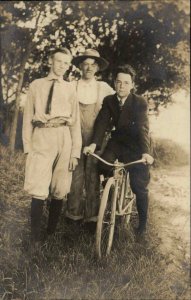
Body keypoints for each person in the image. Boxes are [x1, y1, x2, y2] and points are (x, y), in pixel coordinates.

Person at [84, 64, 154, 236]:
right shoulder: (109, 101)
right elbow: (101, 123)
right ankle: (111, 191)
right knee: (102, 165)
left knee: (139, 186)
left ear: (131, 85)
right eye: (118, 82)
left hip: (137, 145)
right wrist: (94, 144)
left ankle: (142, 227)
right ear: (114, 83)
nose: (122, 86)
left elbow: (143, 128)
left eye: (126, 83)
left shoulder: (139, 103)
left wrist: (145, 152)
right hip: (118, 142)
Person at [22, 48, 82, 243]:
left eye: (66, 63)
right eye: (59, 61)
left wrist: (75, 152)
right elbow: (27, 118)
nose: (62, 66)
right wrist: (28, 147)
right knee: (38, 185)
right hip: (42, 135)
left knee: (60, 186)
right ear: (50, 61)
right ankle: (34, 237)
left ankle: (50, 232)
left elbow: (76, 123)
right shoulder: (36, 85)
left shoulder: (70, 88)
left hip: (64, 135)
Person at [65, 49, 115, 230]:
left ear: (97, 68)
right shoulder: (71, 86)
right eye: (85, 64)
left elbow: (115, 109)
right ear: (79, 66)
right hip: (74, 136)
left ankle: (92, 218)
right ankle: (73, 215)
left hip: (96, 137)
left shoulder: (104, 88)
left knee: (93, 175)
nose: (89, 67)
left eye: (93, 64)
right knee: (75, 175)